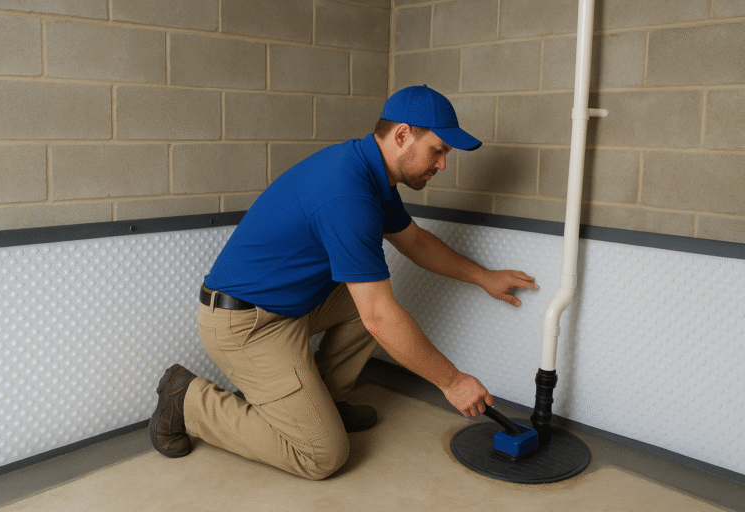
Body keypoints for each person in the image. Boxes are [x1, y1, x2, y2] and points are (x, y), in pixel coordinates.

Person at [149, 85, 540, 480]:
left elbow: (416, 242)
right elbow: (380, 319)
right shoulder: (347, 193)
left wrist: (484, 277)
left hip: (290, 307)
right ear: (402, 136)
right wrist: (453, 382)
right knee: (322, 456)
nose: (441, 164)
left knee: (370, 298)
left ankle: (327, 403)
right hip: (245, 325)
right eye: (437, 150)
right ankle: (188, 400)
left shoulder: (372, 173)